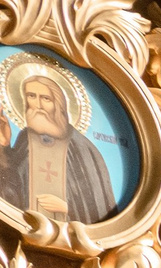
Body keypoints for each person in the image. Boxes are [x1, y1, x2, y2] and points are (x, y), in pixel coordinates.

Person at [0, 66, 116, 222]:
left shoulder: (81, 147)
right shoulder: (25, 139)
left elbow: (101, 206)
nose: (38, 104)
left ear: (58, 104)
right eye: (31, 96)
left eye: (46, 98)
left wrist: (68, 208)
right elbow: (12, 190)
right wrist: (4, 147)